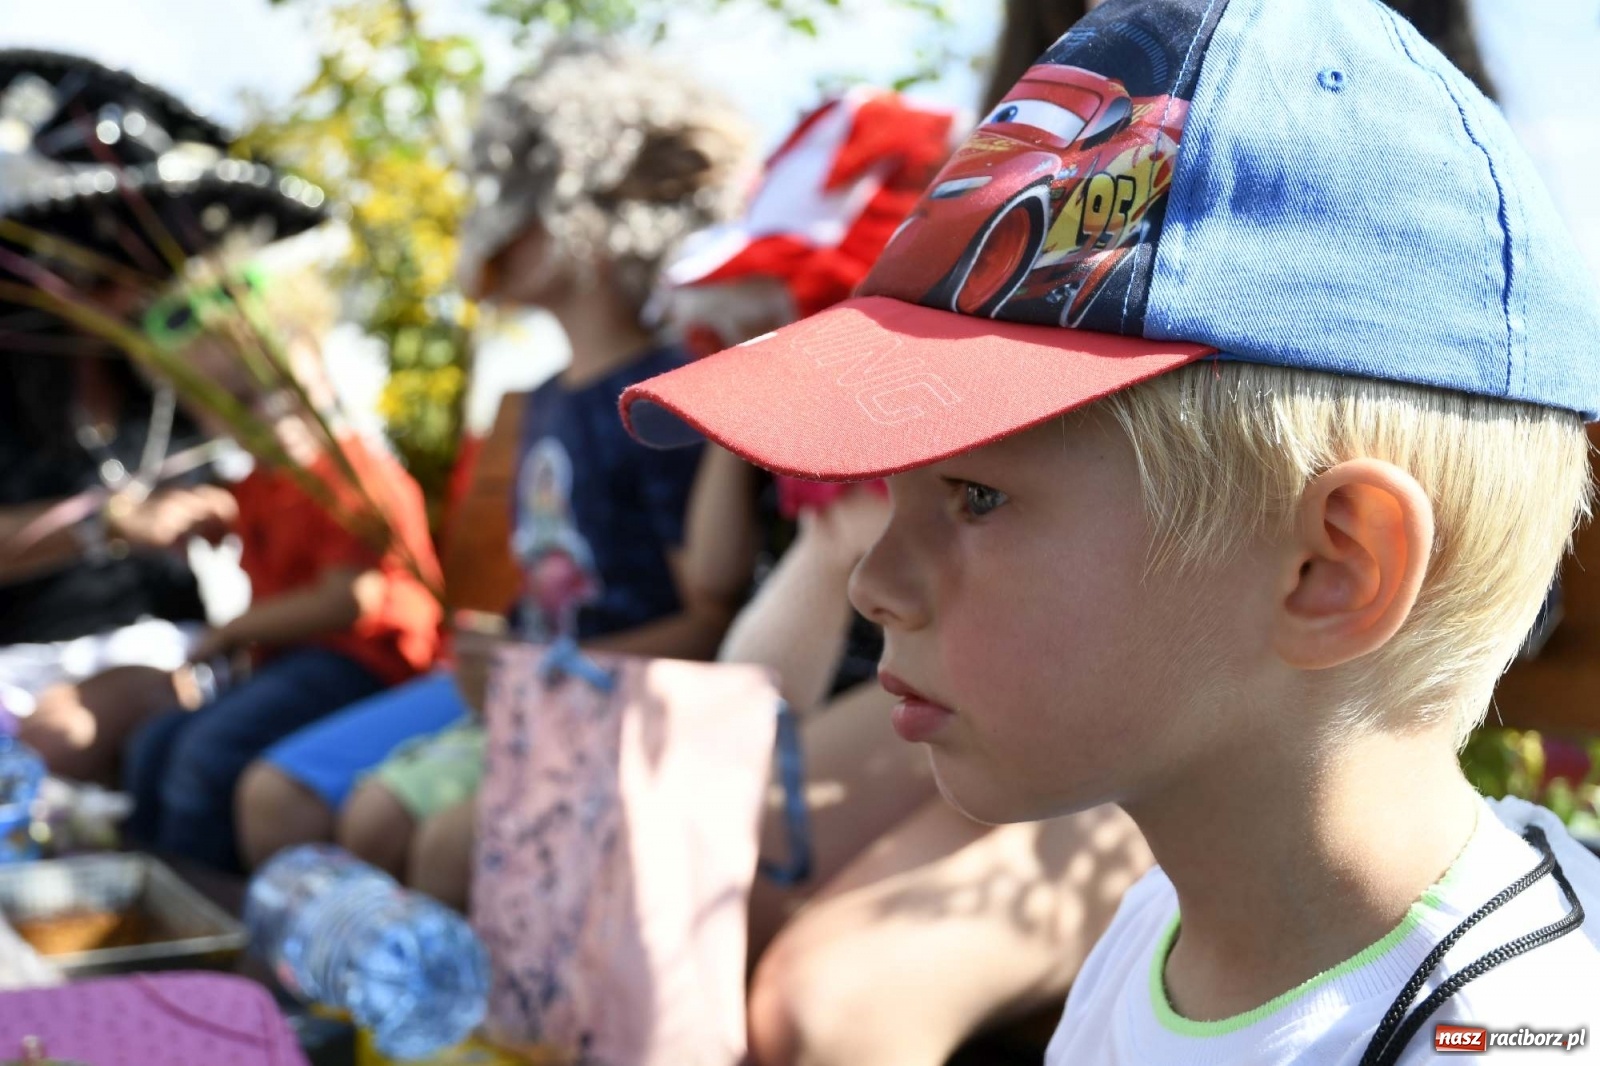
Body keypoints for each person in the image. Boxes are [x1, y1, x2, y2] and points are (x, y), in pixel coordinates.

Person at [619, 0, 1600, 1063]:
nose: (875, 584)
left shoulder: (1512, 1030)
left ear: (1329, 566)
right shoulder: (1152, 937)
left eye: (975, 497)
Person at [661, 89, 1155, 1066]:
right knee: (689, 882)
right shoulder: (1039, 137)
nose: (877, 578)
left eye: (971, 495)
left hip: (1133, 727)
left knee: (826, 1006)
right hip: (985, 695)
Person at [232, 41, 753, 906]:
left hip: (605, 696)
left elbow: (707, 617)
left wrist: (529, 675)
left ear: (588, 213)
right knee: (294, 799)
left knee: (404, 834)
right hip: (524, 686)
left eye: (525, 196)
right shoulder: (545, 399)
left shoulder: (668, 403)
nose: (495, 224)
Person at [0, 51, 327, 785]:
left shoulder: (187, 377)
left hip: (158, 653)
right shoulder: (12, 389)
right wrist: (108, 523)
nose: (124, 286)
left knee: (62, 733)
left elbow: (291, 442)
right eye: (97, 256)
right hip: (20, 658)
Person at [119, 260, 443, 872]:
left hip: (369, 665)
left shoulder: (355, 476)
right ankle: (152, 898)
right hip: (299, 665)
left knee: (207, 753)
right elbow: (244, 517)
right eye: (233, 401)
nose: (265, 410)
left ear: (314, 362)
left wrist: (235, 629)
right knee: (153, 744)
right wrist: (208, 517)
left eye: (276, 383)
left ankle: (211, 909)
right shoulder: (266, 485)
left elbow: (350, 600)